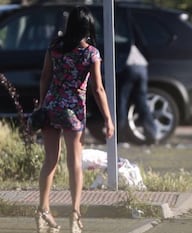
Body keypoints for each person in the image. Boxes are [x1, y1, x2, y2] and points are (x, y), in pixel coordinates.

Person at [35, 6, 114, 233]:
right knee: (75, 164)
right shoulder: (91, 53)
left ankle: (43, 211)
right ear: (88, 28)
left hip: (51, 107)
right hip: (73, 112)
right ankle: (75, 216)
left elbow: (44, 77)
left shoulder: (55, 48)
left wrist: (42, 105)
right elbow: (98, 88)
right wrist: (108, 119)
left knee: (49, 161)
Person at [118, 44, 157, 144]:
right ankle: (151, 134)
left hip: (128, 66)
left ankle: (120, 136)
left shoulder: (115, 41)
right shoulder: (132, 42)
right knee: (142, 102)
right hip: (142, 67)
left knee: (122, 102)